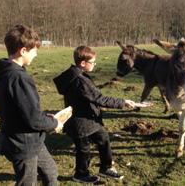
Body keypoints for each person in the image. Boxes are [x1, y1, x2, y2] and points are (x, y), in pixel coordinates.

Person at [53, 45, 140, 183]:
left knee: (104, 139)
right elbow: (100, 99)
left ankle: (105, 168)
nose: (94, 65)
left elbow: (92, 97)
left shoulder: (76, 74)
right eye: (92, 62)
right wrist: (123, 102)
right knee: (83, 150)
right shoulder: (80, 80)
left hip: (90, 120)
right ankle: (81, 174)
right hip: (80, 123)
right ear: (83, 63)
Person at [0, 25, 63, 186]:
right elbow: (33, 118)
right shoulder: (18, 78)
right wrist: (54, 123)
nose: (36, 54)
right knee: (27, 182)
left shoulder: (5, 71)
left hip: (32, 140)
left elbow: (24, 109)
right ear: (23, 51)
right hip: (23, 143)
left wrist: (45, 117)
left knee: (51, 172)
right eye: (34, 51)